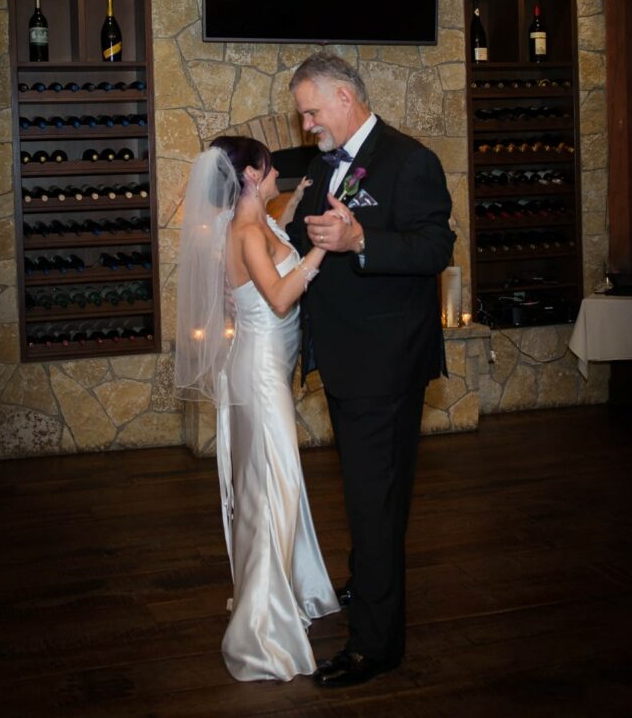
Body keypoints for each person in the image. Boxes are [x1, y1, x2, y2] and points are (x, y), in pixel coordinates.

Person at [286, 52, 455, 688]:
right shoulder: (326, 161)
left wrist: (362, 242)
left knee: (375, 501)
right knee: (368, 494)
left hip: (386, 362)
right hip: (346, 359)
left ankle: (377, 646)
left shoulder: (411, 160)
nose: (306, 124)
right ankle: (367, 584)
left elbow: (436, 246)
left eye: (311, 111)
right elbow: (306, 235)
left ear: (344, 98)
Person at [174, 135, 340, 682]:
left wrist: (296, 208)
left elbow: (275, 232)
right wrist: (324, 247)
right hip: (261, 375)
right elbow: (281, 297)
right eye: (269, 169)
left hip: (261, 368)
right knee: (271, 489)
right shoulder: (244, 232)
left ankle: (288, 590)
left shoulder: (250, 222)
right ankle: (261, 631)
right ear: (249, 176)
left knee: (271, 485)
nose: (275, 176)